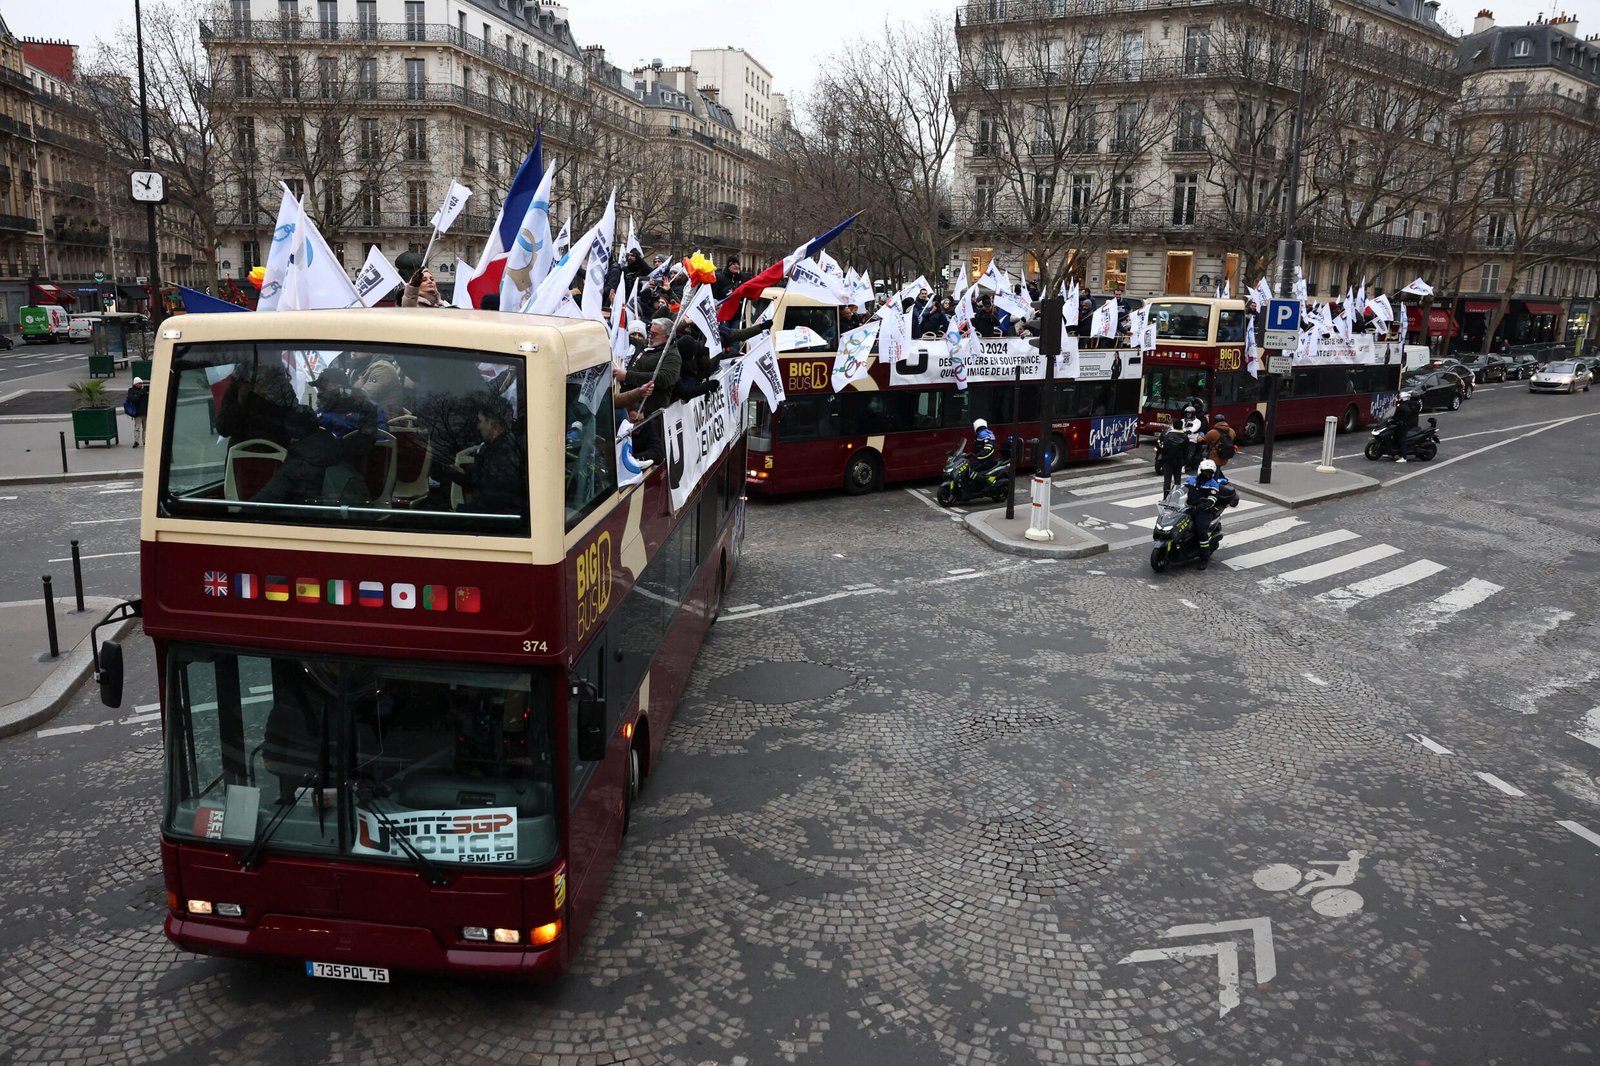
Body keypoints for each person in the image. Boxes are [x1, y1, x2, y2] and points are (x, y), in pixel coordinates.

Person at [436, 399, 525, 514]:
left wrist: (459, 511)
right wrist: (461, 473)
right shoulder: (489, 447)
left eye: (480, 421)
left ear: (491, 423)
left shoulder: (505, 452)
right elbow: (483, 476)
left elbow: (495, 496)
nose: (478, 427)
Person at [1185, 459, 1228, 569]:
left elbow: (1213, 498)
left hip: (1204, 511)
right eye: (1206, 471)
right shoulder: (1191, 480)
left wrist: (1205, 505)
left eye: (1210, 472)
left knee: (1201, 531)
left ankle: (1204, 558)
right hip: (1189, 508)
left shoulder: (1213, 484)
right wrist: (1173, 495)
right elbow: (1182, 490)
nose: (1207, 474)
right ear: (1201, 470)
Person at [1393, 389, 1420, 463]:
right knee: (1398, 437)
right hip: (1405, 424)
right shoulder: (1413, 404)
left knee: (1402, 440)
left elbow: (1406, 412)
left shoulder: (1406, 405)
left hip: (1404, 425)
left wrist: (1402, 420)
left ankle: (1404, 457)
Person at [123, 376, 150, 448]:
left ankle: (145, 441)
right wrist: (142, 392)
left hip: (145, 412)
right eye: (139, 383)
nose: (141, 385)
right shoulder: (131, 391)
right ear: (135, 384)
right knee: (137, 428)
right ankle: (136, 441)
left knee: (145, 428)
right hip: (138, 412)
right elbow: (134, 399)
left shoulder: (143, 391)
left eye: (141, 383)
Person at [1180, 404, 1206, 472]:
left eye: (1190, 413)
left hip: (1191, 439)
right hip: (1182, 438)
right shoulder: (1183, 420)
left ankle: (1185, 465)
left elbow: (1195, 428)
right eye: (1187, 413)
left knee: (1189, 454)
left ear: (1193, 414)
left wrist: (1190, 431)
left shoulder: (1197, 421)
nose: (1188, 414)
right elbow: (1179, 426)